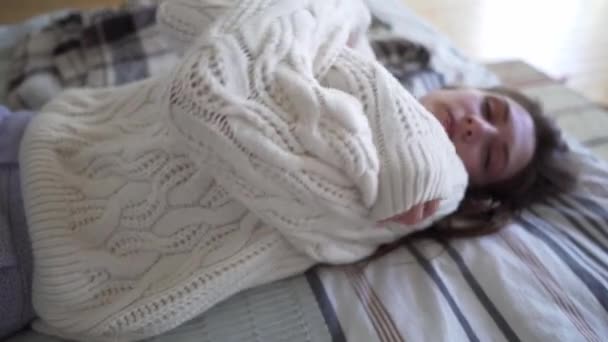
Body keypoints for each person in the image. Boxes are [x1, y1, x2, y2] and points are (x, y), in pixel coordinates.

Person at [2, 0, 579, 340]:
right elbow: (184, 13)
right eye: (491, 108)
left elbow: (206, 95)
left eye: (492, 153)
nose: (479, 127)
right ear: (465, 86)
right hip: (37, 134)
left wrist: (333, 10)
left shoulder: (414, 191)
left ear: (477, 187)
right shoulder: (360, 66)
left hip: (36, 244)